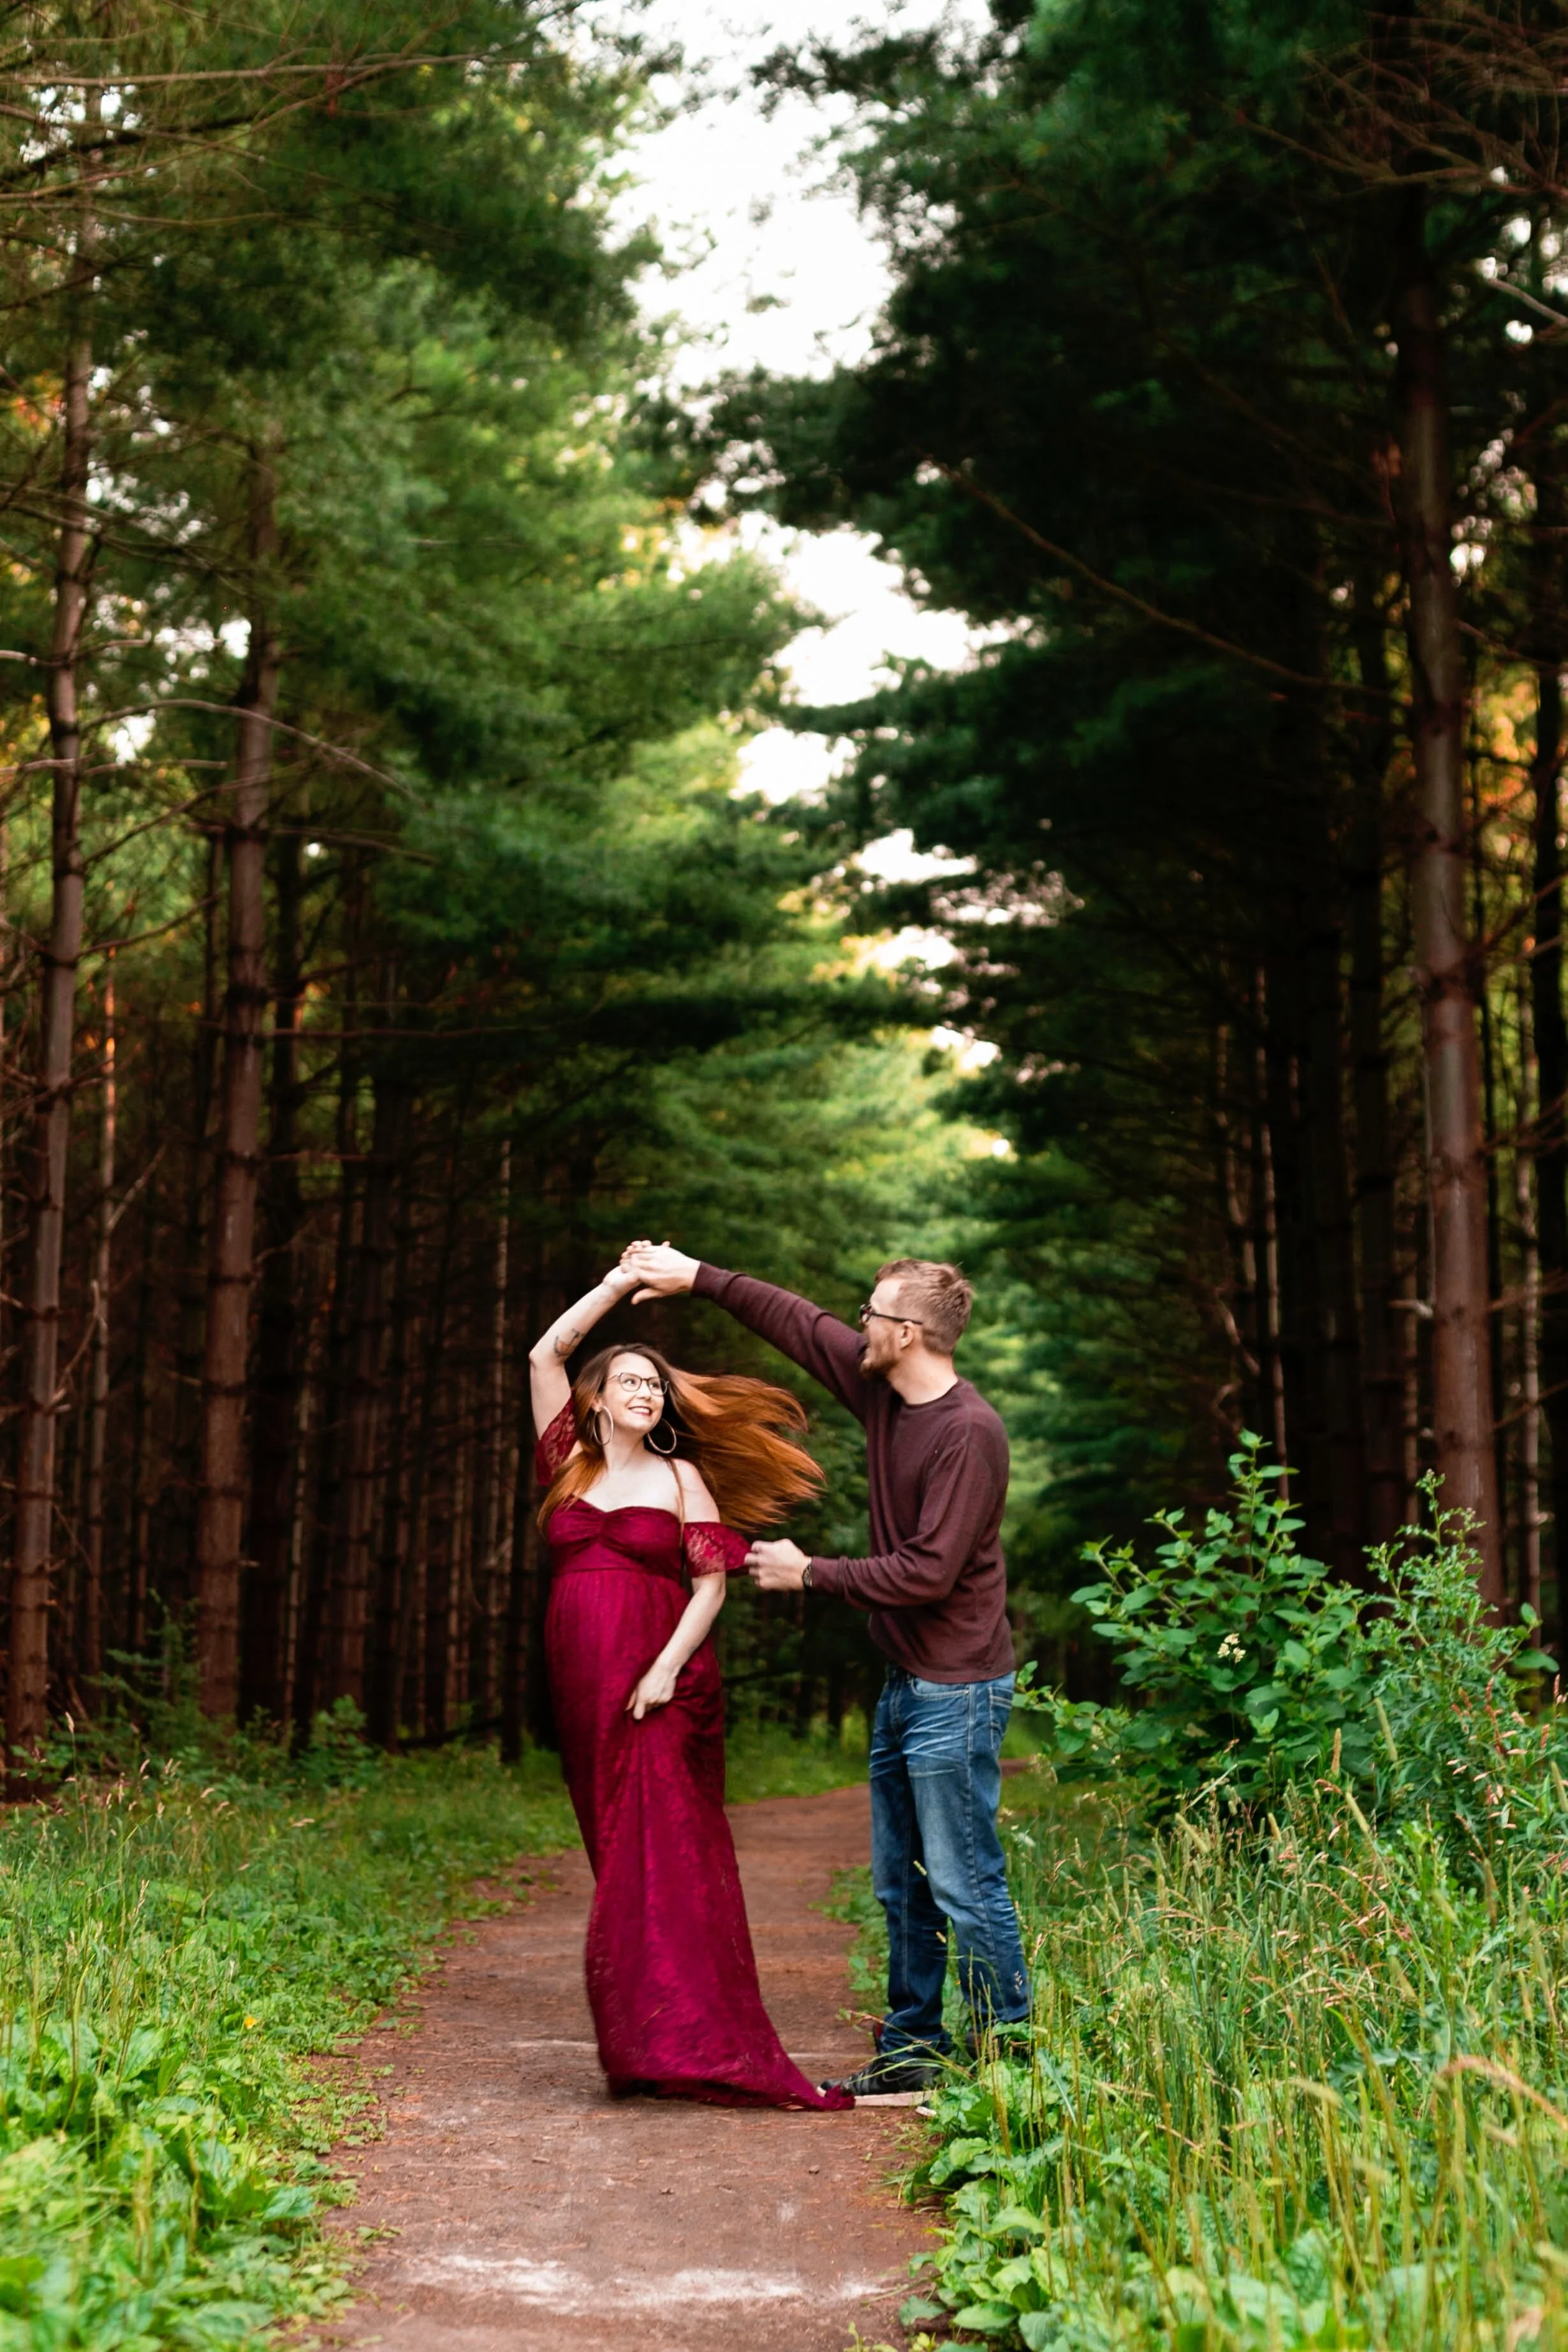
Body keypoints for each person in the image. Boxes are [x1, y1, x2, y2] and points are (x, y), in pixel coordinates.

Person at [620, 1242, 1030, 2097]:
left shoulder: (968, 1433)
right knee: (901, 1883)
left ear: (911, 1333)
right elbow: (798, 1324)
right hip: (905, 1683)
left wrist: (812, 1573)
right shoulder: (884, 1392)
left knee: (963, 1880)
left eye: (873, 1314)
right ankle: (917, 2051)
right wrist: (695, 1275)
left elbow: (928, 1572)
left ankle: (1008, 2064)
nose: (858, 1326)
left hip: (956, 1688)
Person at [527, 1263, 851, 2110]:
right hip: (579, 1678)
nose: (645, 1392)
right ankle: (648, 2040)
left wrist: (664, 1670)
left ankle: (691, 2042)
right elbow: (542, 1353)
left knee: (662, 1856)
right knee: (616, 1855)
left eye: (655, 1385)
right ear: (594, 1399)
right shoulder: (566, 1461)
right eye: (628, 1381)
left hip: (657, 1682)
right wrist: (615, 1283)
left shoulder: (680, 1481)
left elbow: (710, 1586)